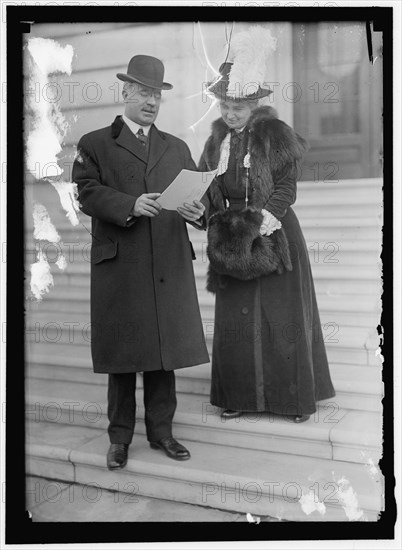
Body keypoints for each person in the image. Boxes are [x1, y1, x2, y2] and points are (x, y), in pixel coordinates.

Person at [72, 55, 209, 470]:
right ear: (126, 92)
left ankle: (162, 433)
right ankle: (119, 439)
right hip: (122, 263)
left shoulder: (177, 146)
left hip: (168, 258)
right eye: (144, 92)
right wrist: (129, 203)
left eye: (157, 94)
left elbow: (199, 196)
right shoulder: (94, 143)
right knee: (123, 355)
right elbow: (85, 192)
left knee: (164, 352)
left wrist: (196, 213)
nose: (151, 101)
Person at [198, 27, 336, 422]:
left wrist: (262, 224)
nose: (230, 113)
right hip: (231, 237)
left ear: (255, 103)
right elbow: (209, 189)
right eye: (225, 105)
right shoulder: (215, 141)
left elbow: (287, 188)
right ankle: (238, 396)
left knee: (281, 317)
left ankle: (292, 399)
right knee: (237, 318)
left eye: (238, 106)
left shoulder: (275, 134)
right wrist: (203, 215)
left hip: (275, 235)